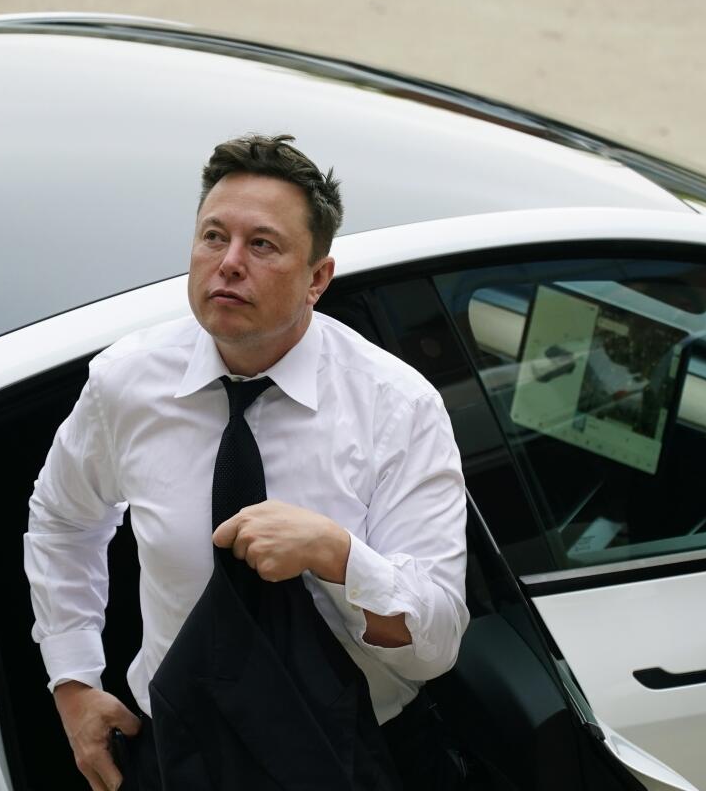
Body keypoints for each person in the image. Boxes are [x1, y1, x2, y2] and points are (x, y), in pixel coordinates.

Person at [24, 134, 468, 790]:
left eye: (262, 245)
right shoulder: (127, 382)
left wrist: (339, 554)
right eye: (213, 237)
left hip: (352, 754)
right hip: (177, 748)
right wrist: (72, 681)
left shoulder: (398, 408)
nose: (228, 264)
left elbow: (436, 646)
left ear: (318, 278)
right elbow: (63, 520)